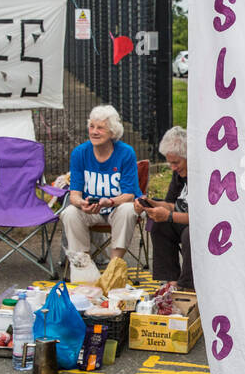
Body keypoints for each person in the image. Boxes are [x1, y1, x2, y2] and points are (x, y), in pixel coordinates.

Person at [59, 105, 142, 281]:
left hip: (115, 209)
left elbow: (129, 195)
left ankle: (114, 267)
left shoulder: (126, 153)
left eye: (100, 128)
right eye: (92, 126)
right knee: (70, 212)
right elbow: (74, 193)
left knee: (128, 209)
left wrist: (109, 202)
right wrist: (81, 203)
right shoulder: (80, 153)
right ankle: (83, 265)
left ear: (112, 132)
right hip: (91, 210)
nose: (94, 132)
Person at [135, 125, 192, 291]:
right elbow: (171, 204)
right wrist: (150, 203)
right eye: (170, 162)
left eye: (176, 162)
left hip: (202, 224)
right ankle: (170, 281)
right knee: (159, 224)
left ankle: (187, 287)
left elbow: (202, 217)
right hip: (181, 217)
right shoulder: (178, 173)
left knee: (191, 234)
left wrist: (168, 216)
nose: (173, 167)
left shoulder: (203, 174)